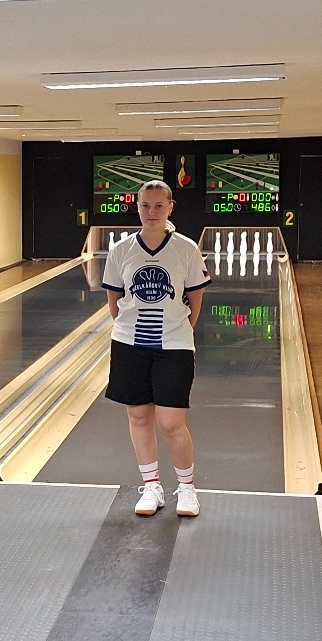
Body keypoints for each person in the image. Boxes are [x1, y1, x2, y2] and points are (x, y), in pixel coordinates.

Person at [101, 180, 210, 517]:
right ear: (137, 208)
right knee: (138, 416)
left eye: (159, 205)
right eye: (145, 205)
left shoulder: (186, 249)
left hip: (174, 345)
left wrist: (180, 328)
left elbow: (195, 297)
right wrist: (128, 328)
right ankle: (152, 486)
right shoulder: (121, 250)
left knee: (170, 422)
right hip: (129, 344)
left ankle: (187, 489)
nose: (152, 212)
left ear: (170, 208)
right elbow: (114, 301)